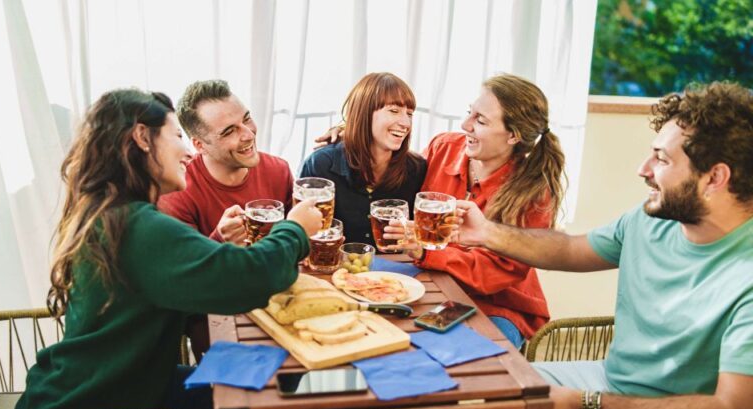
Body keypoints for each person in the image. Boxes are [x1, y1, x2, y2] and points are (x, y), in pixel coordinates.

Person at [13, 88, 322, 409]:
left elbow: (180, 280)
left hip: (114, 390)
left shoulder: (119, 214)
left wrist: (214, 245)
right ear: (143, 138)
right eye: (177, 136)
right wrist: (295, 229)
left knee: (249, 397)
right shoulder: (140, 227)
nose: (188, 153)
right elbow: (246, 279)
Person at [455, 81, 753, 409]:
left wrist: (590, 408)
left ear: (715, 178)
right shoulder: (653, 220)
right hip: (609, 384)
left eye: (662, 158)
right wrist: (487, 233)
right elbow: (572, 249)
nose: (643, 168)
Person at [384, 73, 565, 348]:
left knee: (456, 358)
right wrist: (350, 137)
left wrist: (428, 253)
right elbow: (392, 173)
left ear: (513, 136)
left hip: (498, 305)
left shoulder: (533, 193)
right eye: (470, 113)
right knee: (396, 344)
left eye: (480, 121)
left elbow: (493, 273)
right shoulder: (443, 147)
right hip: (435, 289)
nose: (465, 125)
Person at [158, 79, 294, 245]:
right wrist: (219, 241)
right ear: (199, 145)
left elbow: (297, 248)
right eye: (229, 131)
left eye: (246, 119)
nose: (249, 135)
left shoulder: (279, 170)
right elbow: (180, 268)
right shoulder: (176, 192)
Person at [300, 72, 427, 245]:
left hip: (397, 270)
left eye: (409, 114)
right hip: (333, 269)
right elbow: (302, 238)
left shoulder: (417, 169)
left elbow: (419, 241)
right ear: (364, 113)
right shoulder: (321, 165)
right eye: (394, 111)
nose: (405, 123)